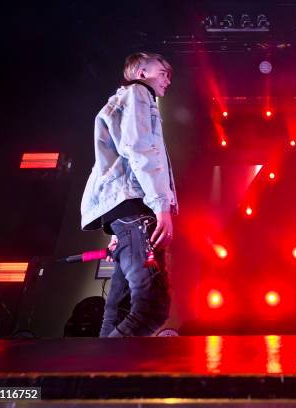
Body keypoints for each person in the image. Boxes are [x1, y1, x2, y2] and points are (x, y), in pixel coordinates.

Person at [81, 52, 178, 337]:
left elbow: (115, 161)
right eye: (162, 71)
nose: (167, 79)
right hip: (137, 212)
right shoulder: (138, 93)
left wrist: (120, 232)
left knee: (119, 308)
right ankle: (103, 379)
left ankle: (97, 376)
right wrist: (161, 207)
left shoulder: (120, 102)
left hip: (128, 215)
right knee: (151, 308)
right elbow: (138, 148)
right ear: (140, 72)